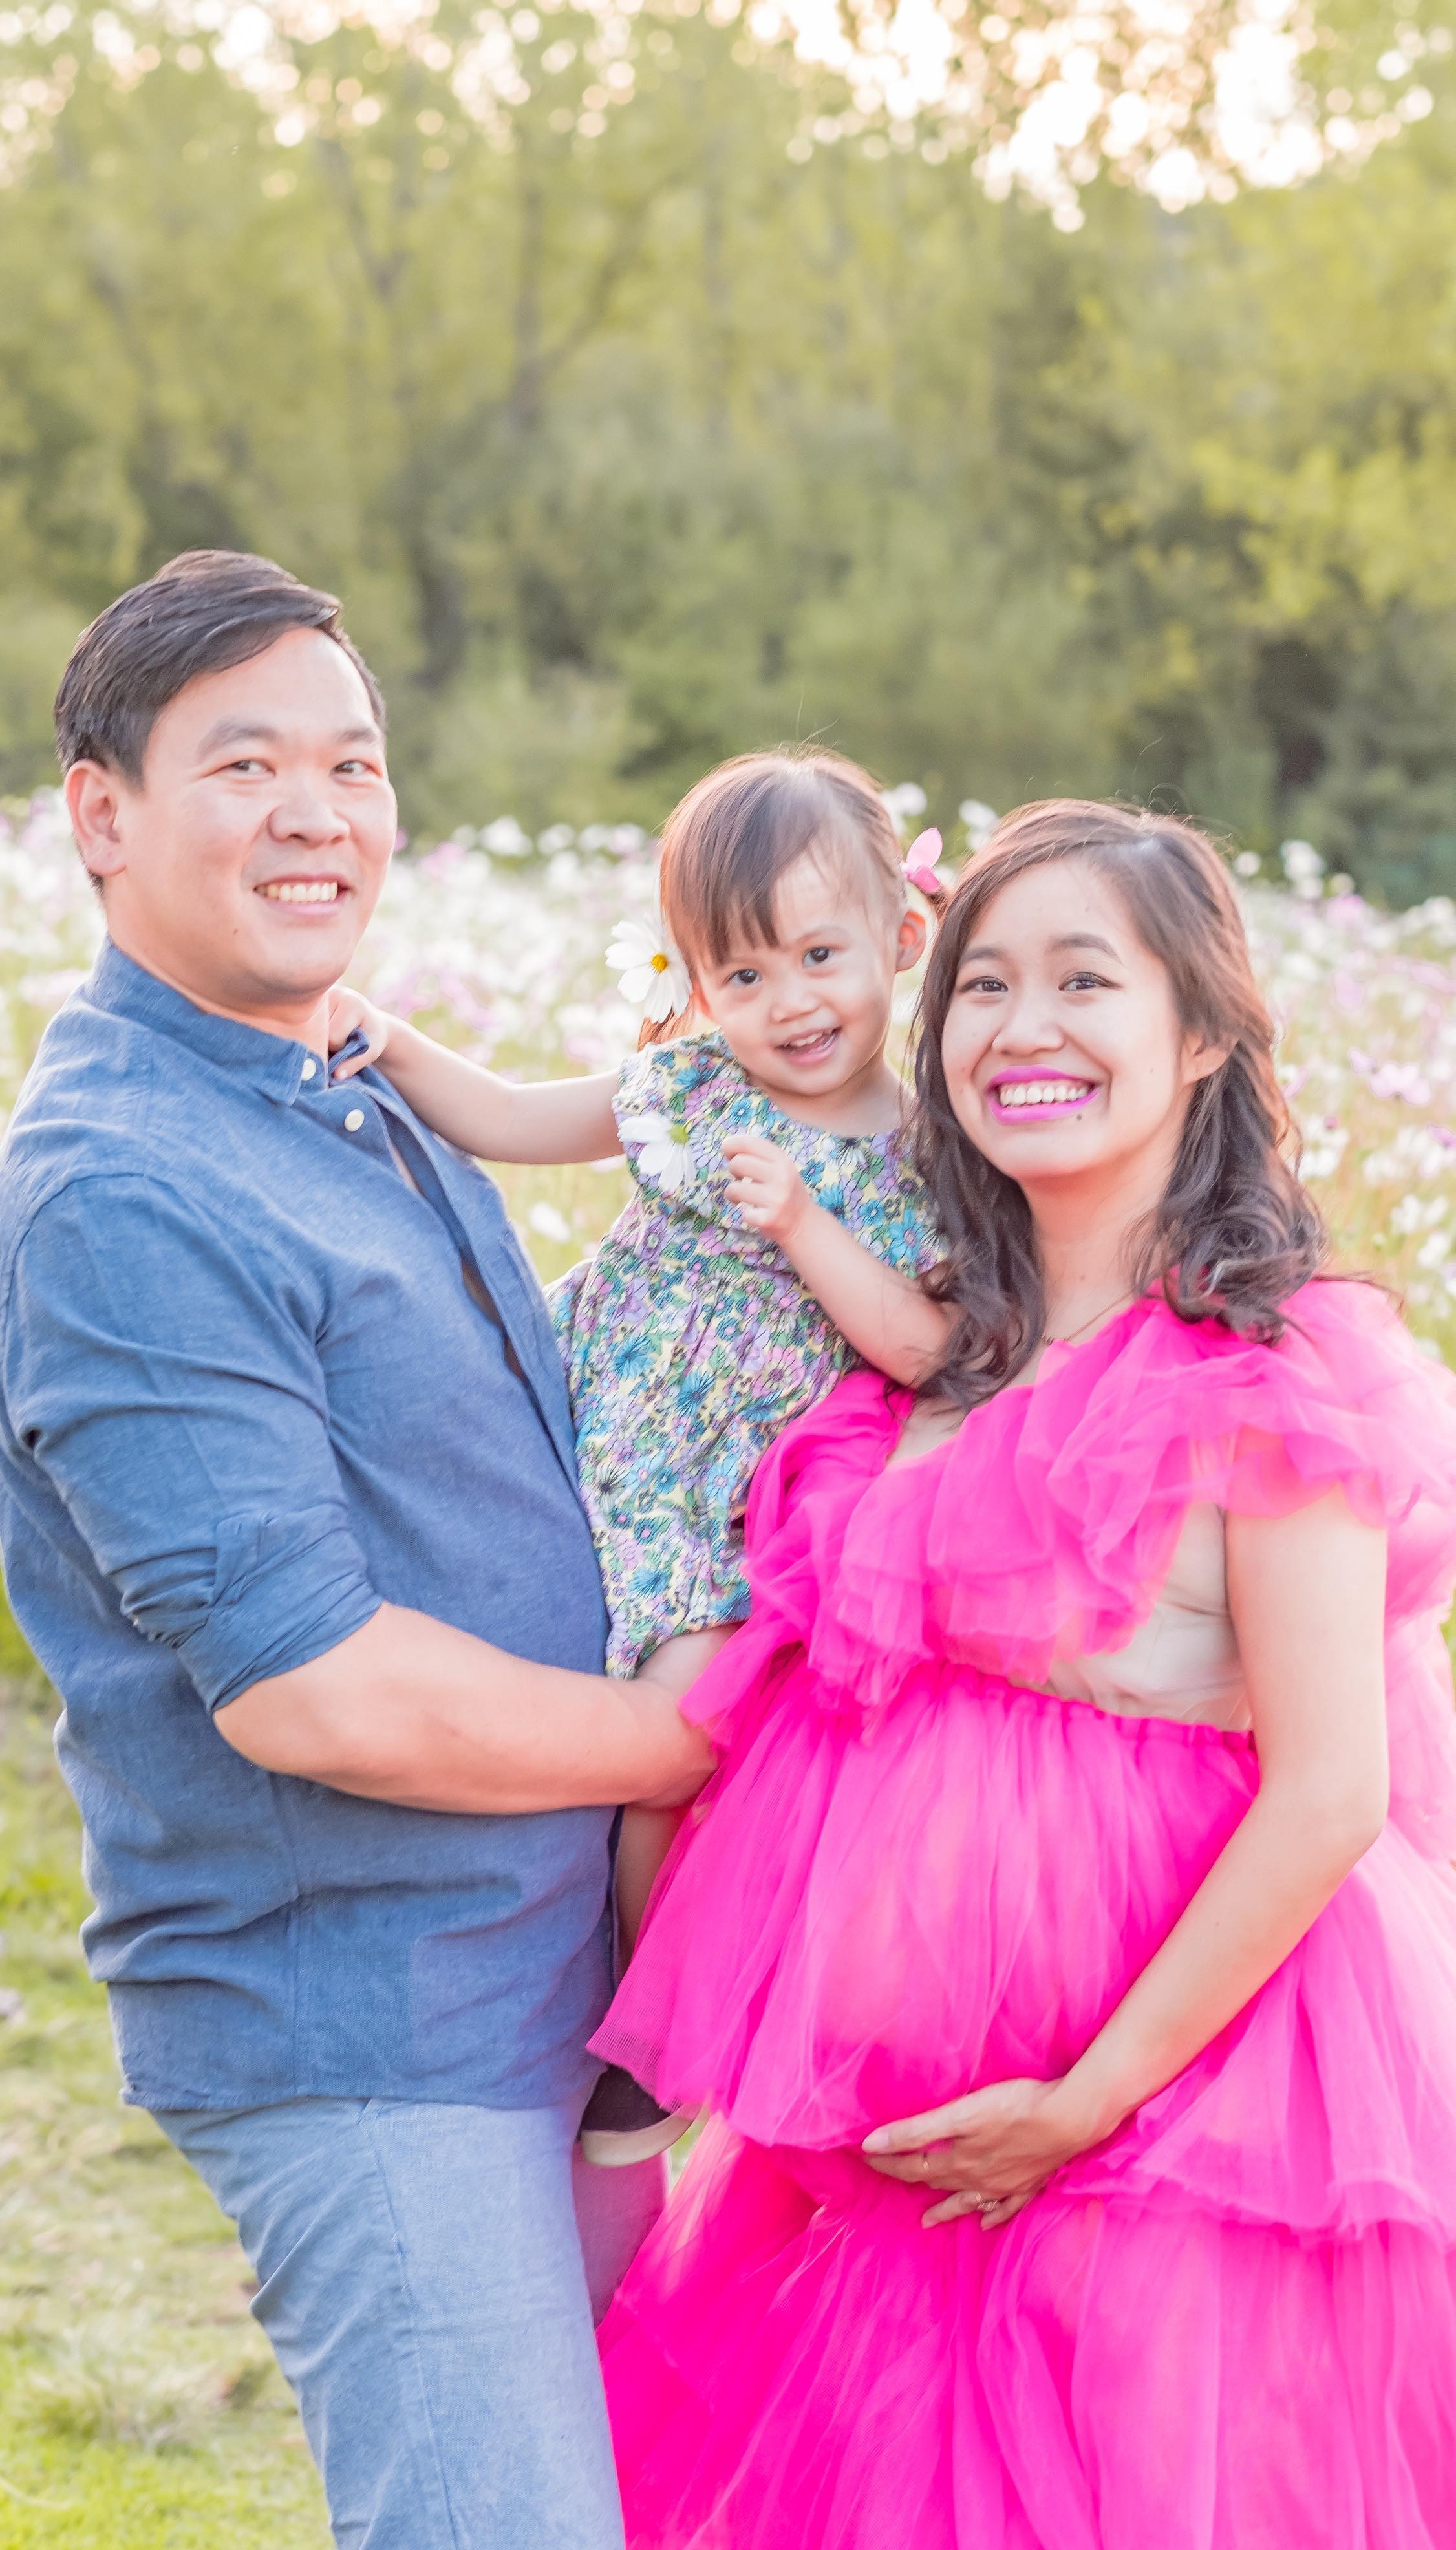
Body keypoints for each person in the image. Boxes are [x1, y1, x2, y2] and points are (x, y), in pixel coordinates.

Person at [588, 800, 1456, 2549]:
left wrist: (1080, 2102)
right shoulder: (917, 1342)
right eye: (982, 984)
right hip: (878, 2160)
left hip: (1163, 2140)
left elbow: (1327, 1793)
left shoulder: (1263, 1367)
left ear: (1198, 1033)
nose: (1020, 1027)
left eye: (1083, 979)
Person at [0, 550, 711, 2550]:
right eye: (246, 766)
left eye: (353, 764)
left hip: (547, 1992)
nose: (316, 813)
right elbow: (316, 1687)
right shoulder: (122, 1184)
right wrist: (696, 1737)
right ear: (102, 814)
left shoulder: (348, 1088)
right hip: (382, 2028)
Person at [332, 749, 947, 2161]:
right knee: (443, 1633)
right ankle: (412, 1964)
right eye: (743, 974)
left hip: (719, 1504)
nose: (789, 1003)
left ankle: (644, 2033)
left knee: (673, 1741)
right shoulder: (691, 1089)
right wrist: (389, 1040)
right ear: (697, 983)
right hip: (572, 1427)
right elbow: (512, 1118)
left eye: (819, 955)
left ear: (901, 937)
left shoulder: (928, 1159)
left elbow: (922, 1347)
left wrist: (802, 1224)